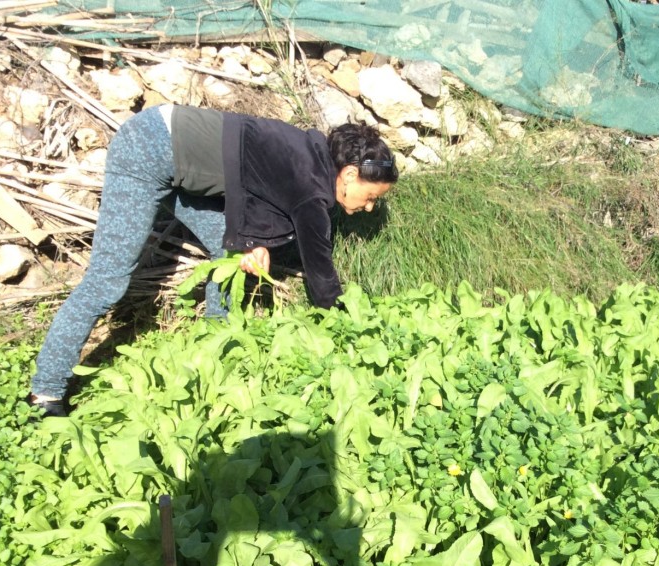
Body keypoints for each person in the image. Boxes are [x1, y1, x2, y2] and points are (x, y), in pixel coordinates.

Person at [28, 105, 398, 416]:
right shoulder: (312, 189)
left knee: (229, 252)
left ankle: (214, 342)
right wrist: (347, 330)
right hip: (150, 148)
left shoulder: (309, 155)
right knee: (108, 282)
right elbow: (322, 279)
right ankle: (45, 392)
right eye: (369, 197)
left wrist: (251, 241)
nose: (365, 208)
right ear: (349, 174)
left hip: (169, 146)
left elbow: (255, 185)